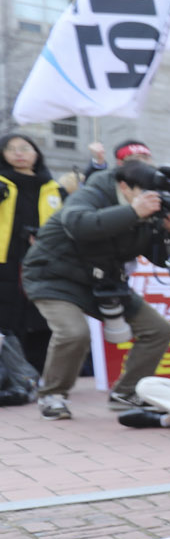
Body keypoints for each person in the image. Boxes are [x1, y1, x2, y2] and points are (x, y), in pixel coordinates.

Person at [20, 160, 170, 419]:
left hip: (104, 282)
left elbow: (158, 256)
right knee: (74, 332)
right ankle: (53, 394)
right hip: (54, 276)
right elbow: (79, 225)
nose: (154, 200)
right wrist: (133, 212)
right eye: (145, 193)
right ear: (124, 186)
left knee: (158, 330)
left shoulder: (149, 208)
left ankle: (125, 393)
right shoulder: (92, 193)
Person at [1, 133, 64, 370]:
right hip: (6, 260)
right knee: (7, 315)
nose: (19, 153)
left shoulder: (54, 188)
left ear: (36, 153)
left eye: (25, 148)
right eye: (12, 148)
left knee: (42, 316)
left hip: (45, 260)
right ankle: (10, 373)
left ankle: (38, 372)